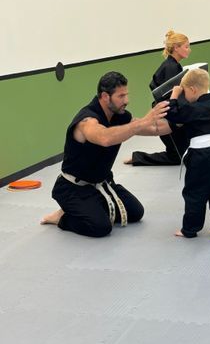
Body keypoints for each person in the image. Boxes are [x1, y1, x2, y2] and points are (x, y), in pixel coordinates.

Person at [40, 71, 170, 238]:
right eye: (121, 96)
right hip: (73, 188)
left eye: (126, 95)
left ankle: (88, 207)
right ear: (105, 96)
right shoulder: (86, 121)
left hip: (102, 183)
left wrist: (185, 117)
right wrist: (144, 121)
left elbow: (154, 129)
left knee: (136, 213)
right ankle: (62, 217)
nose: (126, 101)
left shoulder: (119, 116)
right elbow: (104, 138)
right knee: (101, 227)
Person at [166, 68, 210, 238]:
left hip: (201, 155)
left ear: (192, 89)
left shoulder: (193, 110)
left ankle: (190, 229)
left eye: (185, 91)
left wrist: (174, 95)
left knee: (194, 193)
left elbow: (173, 115)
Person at [125, 30, 191, 166]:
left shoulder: (174, 66)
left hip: (169, 114)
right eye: (186, 46)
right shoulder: (171, 68)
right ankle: (137, 157)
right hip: (167, 117)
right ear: (176, 48)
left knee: (185, 152)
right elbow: (171, 97)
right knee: (177, 157)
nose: (189, 50)